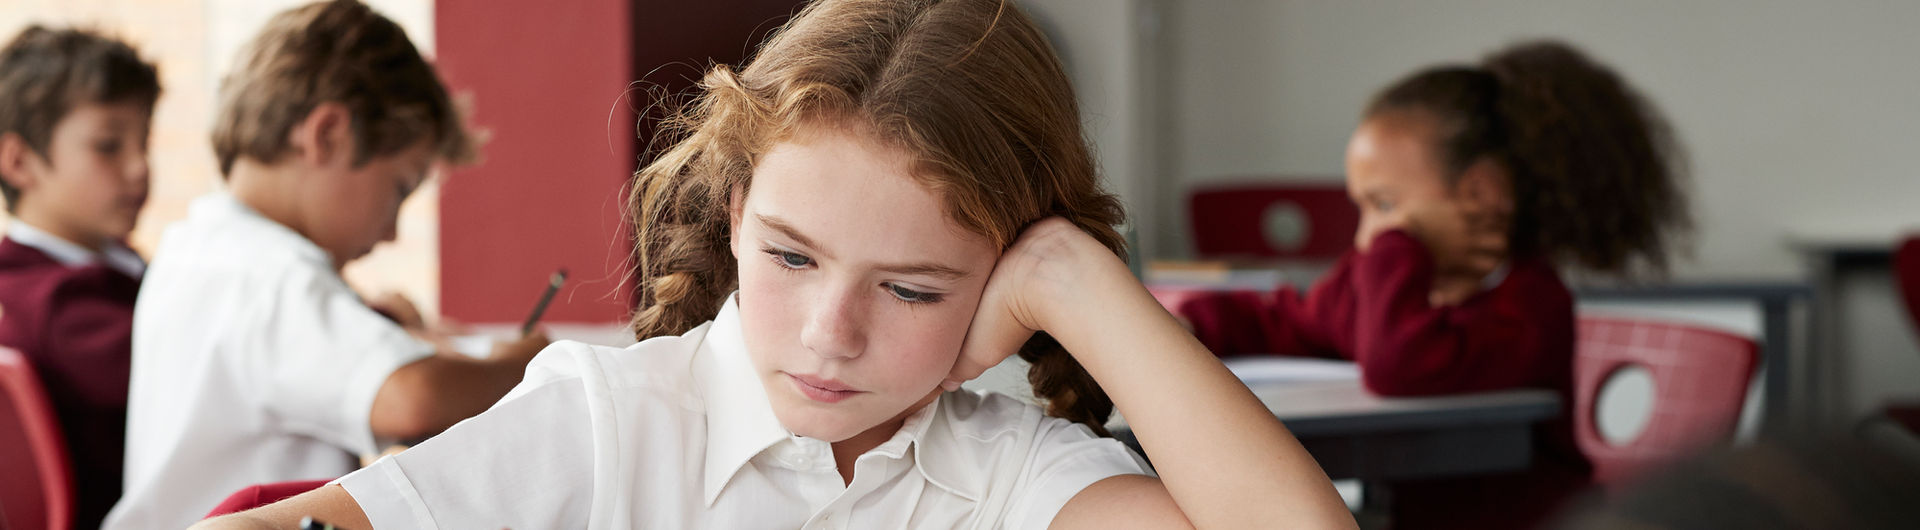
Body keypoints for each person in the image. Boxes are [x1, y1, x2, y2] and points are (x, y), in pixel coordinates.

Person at [198, 0, 1357, 528]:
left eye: (911, 287)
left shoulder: (1007, 474)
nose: (828, 333)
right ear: (736, 208)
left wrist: (1075, 276)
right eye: (792, 257)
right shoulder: (609, 424)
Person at [1164, 40, 1691, 528]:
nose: (1369, 236)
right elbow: (1287, 323)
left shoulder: (1528, 304)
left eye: (1385, 205)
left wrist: (1398, 249)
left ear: (1482, 192)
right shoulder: (1374, 282)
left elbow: (1402, 365)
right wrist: (1186, 323)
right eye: (1362, 206)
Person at [105, 2, 549, 528]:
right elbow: (413, 399)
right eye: (398, 190)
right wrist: (527, 360)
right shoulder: (267, 274)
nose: (390, 232)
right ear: (328, 134)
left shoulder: (198, 244)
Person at [0, 24, 159, 529]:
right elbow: (213, 362)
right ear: (19, 162)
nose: (140, 167)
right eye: (109, 145)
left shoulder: (108, 266)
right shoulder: (54, 303)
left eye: (144, 142)